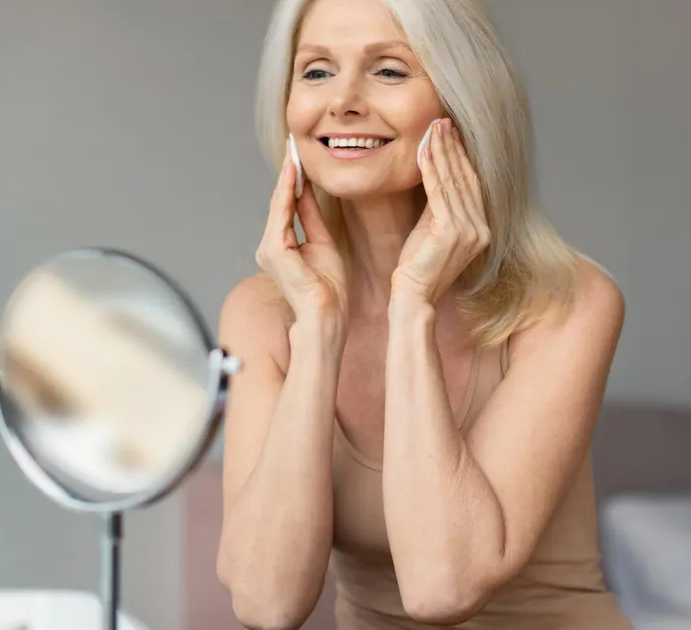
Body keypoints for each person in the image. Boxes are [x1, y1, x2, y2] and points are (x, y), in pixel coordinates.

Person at [216, 0, 632, 628]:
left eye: (389, 70)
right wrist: (319, 331)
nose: (343, 101)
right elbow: (266, 604)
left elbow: (444, 587)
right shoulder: (260, 314)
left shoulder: (567, 302)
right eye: (317, 71)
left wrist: (412, 306)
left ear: (463, 103)